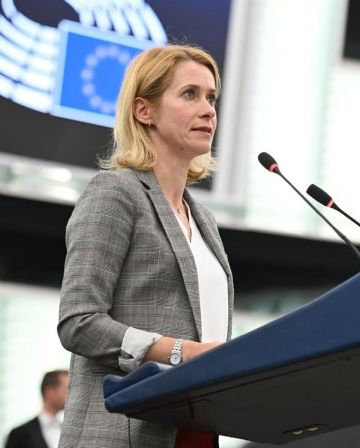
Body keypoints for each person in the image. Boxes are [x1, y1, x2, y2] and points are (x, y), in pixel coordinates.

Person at [57, 44, 234, 448]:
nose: (208, 110)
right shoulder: (115, 192)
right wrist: (180, 352)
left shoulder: (204, 219)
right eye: (189, 94)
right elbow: (78, 322)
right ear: (144, 111)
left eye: (211, 98)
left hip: (197, 430)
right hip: (122, 434)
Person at [5, 369, 69, 448]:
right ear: (50, 392)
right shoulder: (19, 434)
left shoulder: (70, 431)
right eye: (66, 391)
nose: (71, 397)